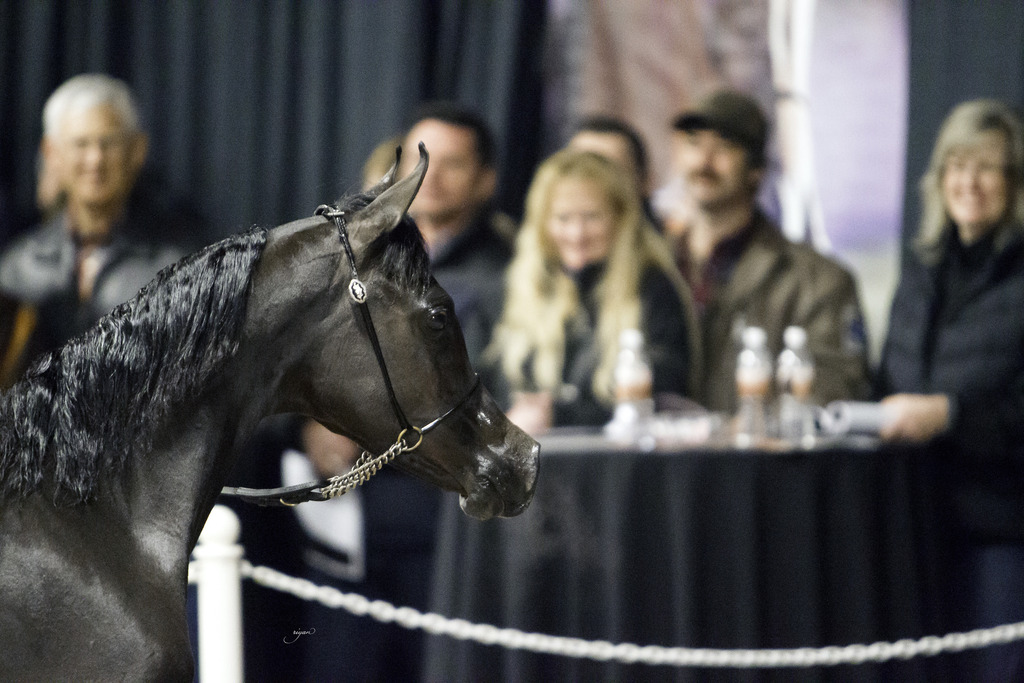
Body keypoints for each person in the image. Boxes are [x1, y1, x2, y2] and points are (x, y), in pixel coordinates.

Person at [877, 98, 1024, 682]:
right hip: (912, 523)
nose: (969, 182)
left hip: (1002, 527)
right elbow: (890, 375)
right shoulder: (919, 268)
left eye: (987, 167)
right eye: (957, 165)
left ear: (1014, 182)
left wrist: (951, 416)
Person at [667, 88, 870, 414]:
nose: (703, 162)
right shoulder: (649, 265)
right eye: (694, 144)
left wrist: (750, 426)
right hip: (658, 461)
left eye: (724, 147)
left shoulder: (818, 280)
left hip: (757, 461)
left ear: (756, 169)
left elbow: (836, 385)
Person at [0, 74, 200, 385]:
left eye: (108, 143)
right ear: (52, 153)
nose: (95, 159)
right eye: (80, 144)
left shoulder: (178, 269)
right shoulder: (18, 268)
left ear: (137, 150)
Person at [485, 148, 697, 434]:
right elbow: (497, 387)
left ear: (621, 218)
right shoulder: (526, 286)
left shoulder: (654, 289)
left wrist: (560, 416)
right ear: (542, 224)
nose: (577, 234)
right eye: (563, 218)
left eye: (591, 217)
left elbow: (662, 397)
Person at [399, 101, 514, 368]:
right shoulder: (366, 252)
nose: (428, 175)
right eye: (417, 159)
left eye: (452, 164)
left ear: (486, 180)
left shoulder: (503, 274)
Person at [567, 115, 661, 229]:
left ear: (646, 182)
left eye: (613, 171)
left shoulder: (673, 243)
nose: (595, 184)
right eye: (583, 171)